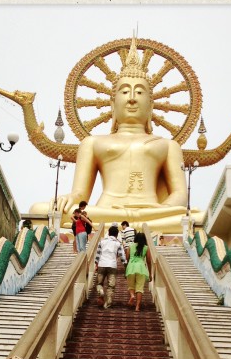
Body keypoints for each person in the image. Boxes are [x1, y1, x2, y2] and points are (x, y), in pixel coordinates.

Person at [47, 35, 202, 232]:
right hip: (105, 211)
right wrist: (69, 198)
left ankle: (141, 223)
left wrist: (163, 209)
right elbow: (80, 194)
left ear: (151, 105)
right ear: (112, 104)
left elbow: (180, 195)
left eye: (139, 92)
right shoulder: (93, 143)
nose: (131, 99)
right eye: (124, 92)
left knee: (194, 216)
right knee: (46, 209)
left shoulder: (168, 146)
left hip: (152, 212)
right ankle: (139, 225)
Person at [95, 226, 127, 309]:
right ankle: (108, 302)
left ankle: (100, 291)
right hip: (112, 265)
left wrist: (96, 265)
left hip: (102, 264)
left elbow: (98, 255)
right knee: (111, 286)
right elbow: (122, 257)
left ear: (108, 233)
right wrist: (125, 266)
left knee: (99, 283)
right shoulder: (117, 243)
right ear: (117, 235)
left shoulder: (102, 242)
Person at [125, 232, 151, 312]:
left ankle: (132, 296)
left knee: (131, 286)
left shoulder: (130, 246)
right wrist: (150, 273)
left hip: (131, 267)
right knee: (139, 288)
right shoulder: (146, 248)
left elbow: (127, 258)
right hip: (141, 268)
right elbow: (149, 261)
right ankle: (137, 307)